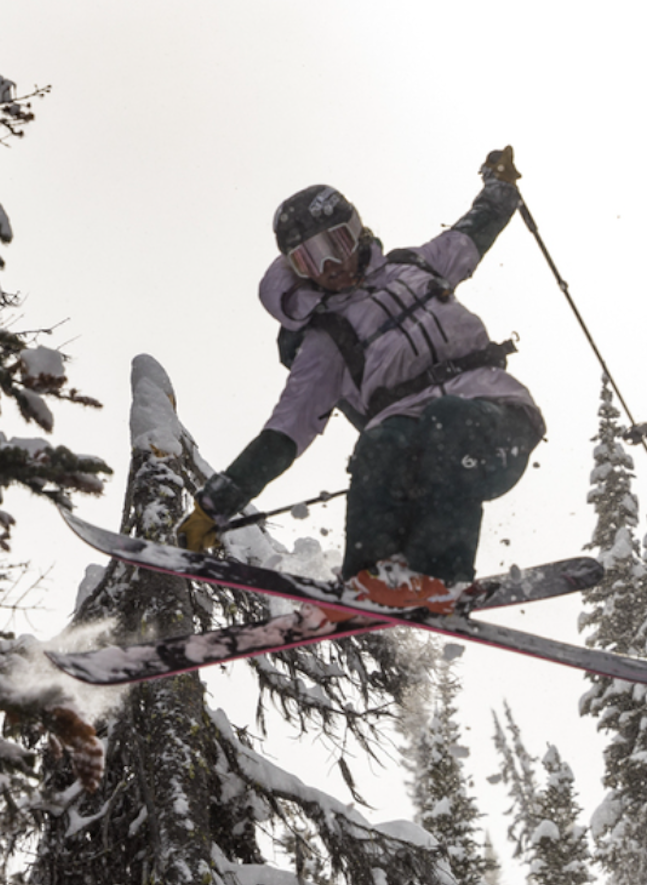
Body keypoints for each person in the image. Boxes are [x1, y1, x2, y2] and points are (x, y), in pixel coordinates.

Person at [179, 148, 545, 616]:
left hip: (498, 422)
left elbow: (473, 232)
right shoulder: (326, 340)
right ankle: (373, 579)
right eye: (311, 258)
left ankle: (438, 575)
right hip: (418, 450)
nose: (332, 265)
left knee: (445, 418)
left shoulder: (416, 267)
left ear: (357, 232)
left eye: (337, 243)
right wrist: (214, 507)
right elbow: (285, 431)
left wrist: (499, 187)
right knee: (382, 440)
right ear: (297, 271)